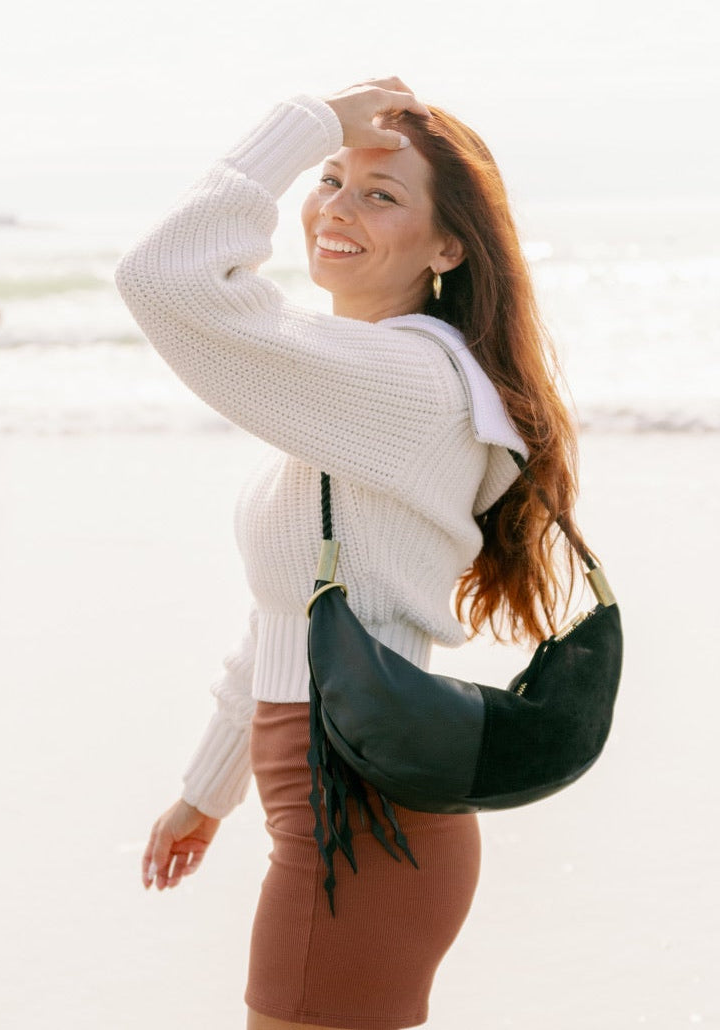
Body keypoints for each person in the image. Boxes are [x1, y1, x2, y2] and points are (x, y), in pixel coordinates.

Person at [116, 78, 585, 1030]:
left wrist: (303, 124)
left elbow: (160, 279)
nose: (335, 207)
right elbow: (295, 619)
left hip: (355, 816)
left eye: (381, 194)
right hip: (345, 795)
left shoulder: (403, 379)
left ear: (449, 246)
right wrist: (210, 790)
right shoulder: (372, 375)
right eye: (328, 179)